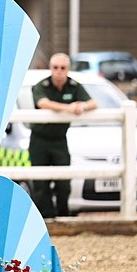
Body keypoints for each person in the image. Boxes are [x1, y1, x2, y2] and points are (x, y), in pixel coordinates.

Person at [30, 53, 97, 219]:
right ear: (50, 69)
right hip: (39, 140)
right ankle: (45, 218)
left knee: (64, 182)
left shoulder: (74, 86)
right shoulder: (41, 85)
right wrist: (69, 108)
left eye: (63, 68)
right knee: (41, 184)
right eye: (55, 67)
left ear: (68, 69)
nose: (59, 71)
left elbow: (93, 103)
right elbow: (43, 103)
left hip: (60, 140)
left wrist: (82, 106)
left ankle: (63, 217)